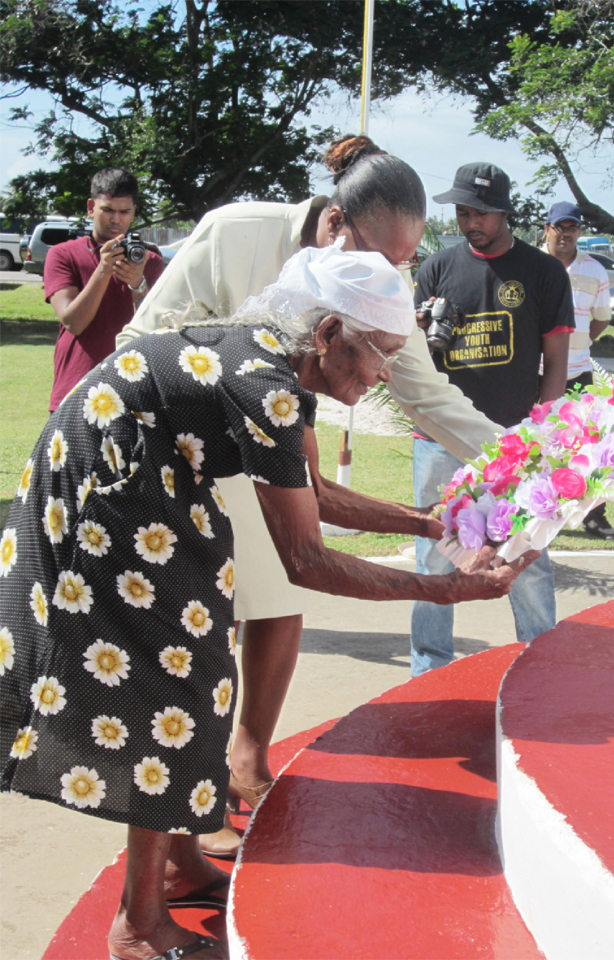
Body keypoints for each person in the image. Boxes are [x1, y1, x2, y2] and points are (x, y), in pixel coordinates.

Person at [0, 243, 538, 960]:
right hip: (107, 489)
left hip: (147, 480)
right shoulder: (269, 388)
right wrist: (451, 588)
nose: (383, 376)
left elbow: (316, 496)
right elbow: (306, 558)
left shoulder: (281, 370)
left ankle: (180, 861)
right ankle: (136, 924)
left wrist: (429, 523)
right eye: (380, 354)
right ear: (327, 335)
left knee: (204, 670)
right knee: (175, 684)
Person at [118, 136, 507, 857]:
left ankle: (240, 765)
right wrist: (449, 587)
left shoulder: (371, 297)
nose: (388, 275)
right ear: (333, 226)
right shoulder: (239, 238)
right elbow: (143, 338)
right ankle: (168, 855)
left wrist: (525, 470)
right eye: (378, 257)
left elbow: (425, 400)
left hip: (267, 439)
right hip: (168, 455)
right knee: (190, 650)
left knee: (269, 612)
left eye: (400, 264)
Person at [410, 162, 576, 676]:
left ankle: (537, 662)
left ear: (506, 211)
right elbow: (411, 363)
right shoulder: (435, 269)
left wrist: (538, 434)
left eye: (480, 212)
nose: (470, 222)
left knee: (526, 553)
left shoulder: (543, 272)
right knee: (436, 555)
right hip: (439, 440)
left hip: (513, 441)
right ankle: (429, 668)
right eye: (462, 212)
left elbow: (557, 363)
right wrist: (417, 327)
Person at [45, 167, 164, 411]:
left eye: (124, 211)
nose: (115, 219)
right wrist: (103, 270)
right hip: (77, 387)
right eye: (107, 210)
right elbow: (73, 322)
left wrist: (138, 284)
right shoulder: (62, 255)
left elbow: (159, 329)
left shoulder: (150, 261)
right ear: (91, 207)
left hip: (134, 388)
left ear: (134, 213)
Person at [542, 201, 614, 540]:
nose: (566, 233)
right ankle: (538, 511)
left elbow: (600, 319)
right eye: (560, 227)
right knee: (536, 442)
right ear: (547, 229)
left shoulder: (595, 270)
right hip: (536, 372)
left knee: (586, 447)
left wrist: (579, 343)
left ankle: (593, 516)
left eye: (572, 227)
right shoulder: (532, 264)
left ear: (580, 232)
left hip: (579, 372)